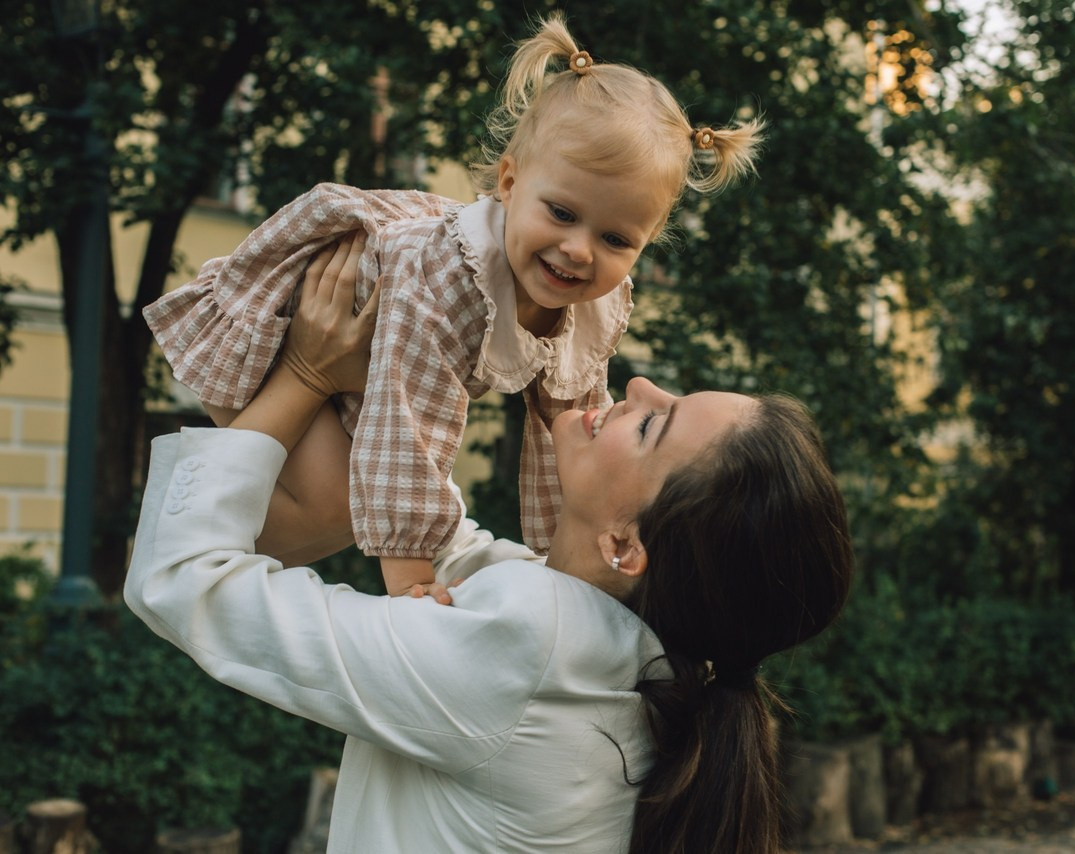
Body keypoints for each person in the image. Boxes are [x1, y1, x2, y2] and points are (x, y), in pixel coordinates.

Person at [126, 234, 853, 851]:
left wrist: (306, 373)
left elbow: (184, 580)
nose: (640, 386)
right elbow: (424, 525)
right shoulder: (612, 656)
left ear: (626, 546)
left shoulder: (525, 650)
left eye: (654, 425)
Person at [142, 13, 764, 596]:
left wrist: (564, 569)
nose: (578, 250)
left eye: (615, 239)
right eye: (562, 214)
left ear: (646, 245)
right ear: (510, 183)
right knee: (335, 507)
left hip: (354, 376)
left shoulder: (593, 307)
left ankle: (188, 528)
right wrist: (411, 580)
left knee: (340, 509)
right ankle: (178, 535)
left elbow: (572, 434)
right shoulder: (449, 281)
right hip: (284, 316)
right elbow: (409, 426)